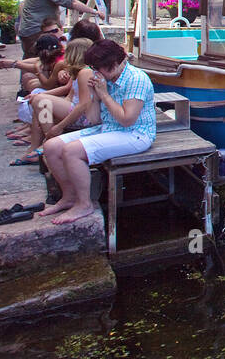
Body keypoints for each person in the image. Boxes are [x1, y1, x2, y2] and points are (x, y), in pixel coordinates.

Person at [41, 40, 156, 224]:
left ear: (116, 64)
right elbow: (93, 119)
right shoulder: (104, 78)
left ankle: (84, 203)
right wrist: (94, 96)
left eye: (101, 68)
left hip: (135, 134)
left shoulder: (136, 79)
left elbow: (127, 119)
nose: (97, 72)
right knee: (51, 146)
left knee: (72, 151)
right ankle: (69, 196)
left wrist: (104, 95)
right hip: (107, 128)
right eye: (95, 68)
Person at [11, 39, 97, 165]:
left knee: (40, 101)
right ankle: (36, 146)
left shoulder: (86, 72)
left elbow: (83, 105)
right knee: (37, 100)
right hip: (74, 108)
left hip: (84, 116)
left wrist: (59, 126)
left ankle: (49, 141)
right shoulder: (78, 72)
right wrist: (41, 95)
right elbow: (69, 92)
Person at [17, 0, 100, 60]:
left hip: (33, 29)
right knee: (36, 58)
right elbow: (72, 3)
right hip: (34, 31)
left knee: (42, 58)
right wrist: (94, 11)